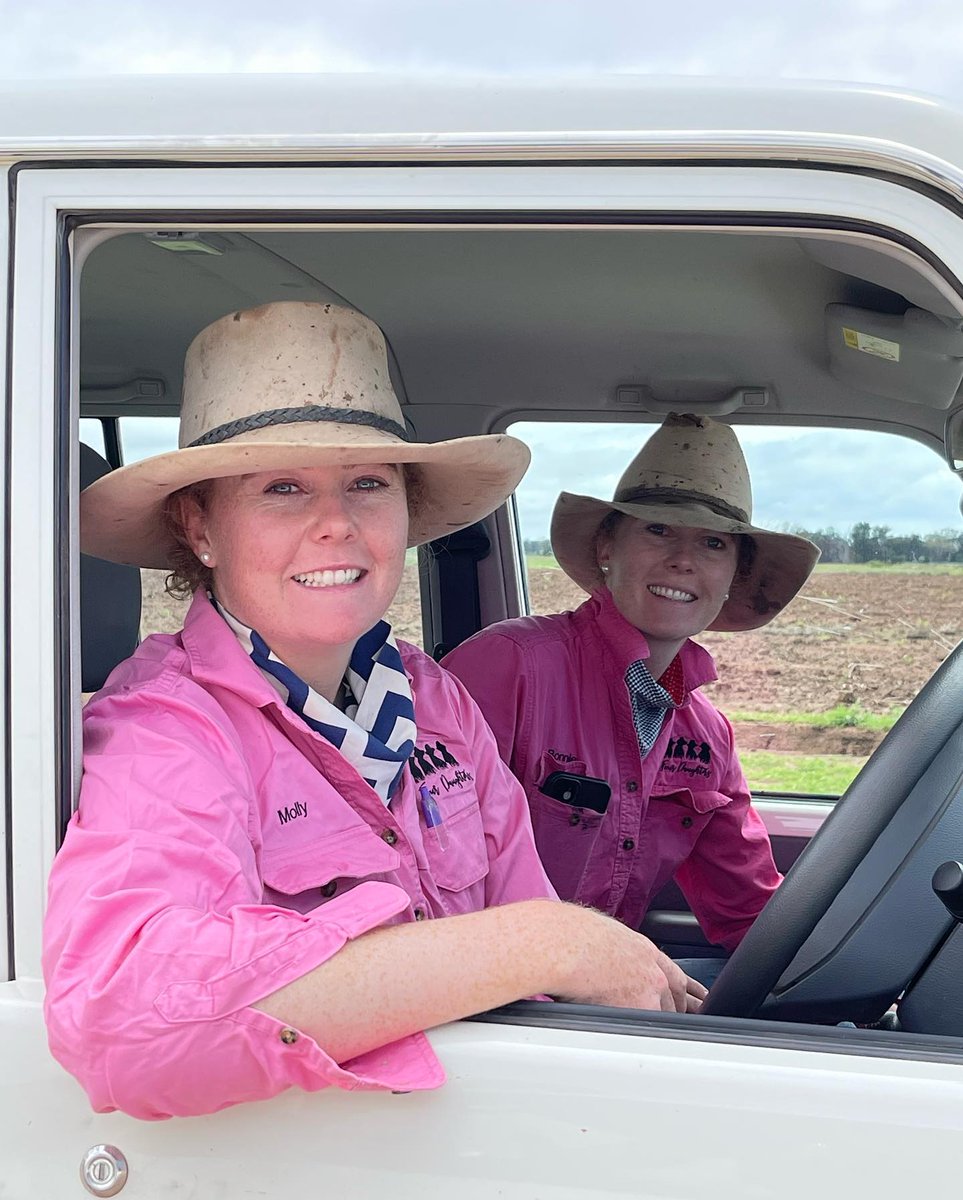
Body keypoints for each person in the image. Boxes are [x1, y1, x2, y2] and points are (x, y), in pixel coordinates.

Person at [42, 301, 704, 1122]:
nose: (335, 524)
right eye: (282, 489)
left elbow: (523, 925)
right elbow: (127, 1029)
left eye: (367, 485)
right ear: (199, 527)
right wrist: (545, 942)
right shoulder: (167, 729)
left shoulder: (432, 699)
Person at [443, 414, 820, 967]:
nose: (683, 560)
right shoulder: (512, 664)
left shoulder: (706, 736)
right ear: (606, 548)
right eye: (657, 529)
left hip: (601, 991)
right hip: (487, 985)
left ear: (735, 576)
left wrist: (828, 970)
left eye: (713, 543)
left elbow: (748, 907)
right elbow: (433, 864)